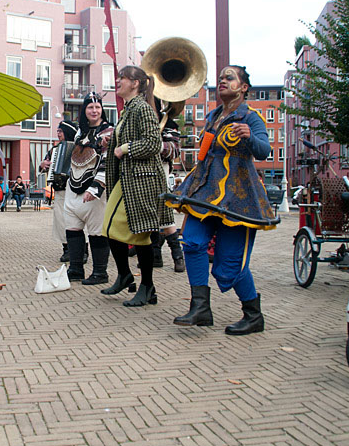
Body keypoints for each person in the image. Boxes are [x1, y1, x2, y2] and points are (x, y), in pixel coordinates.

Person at [172, 65, 275, 336]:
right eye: (220, 78)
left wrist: (250, 137)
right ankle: (200, 309)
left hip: (238, 199)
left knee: (227, 269)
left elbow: (264, 151)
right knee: (192, 243)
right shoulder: (213, 116)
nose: (222, 81)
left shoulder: (251, 117)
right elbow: (204, 155)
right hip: (205, 192)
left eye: (229, 78)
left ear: (243, 88)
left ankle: (253, 315)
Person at [101, 66, 174, 306]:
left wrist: (125, 148)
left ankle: (146, 286)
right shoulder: (128, 110)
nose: (117, 80)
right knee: (111, 227)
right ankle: (125, 275)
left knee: (140, 233)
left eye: (122, 77)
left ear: (135, 83)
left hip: (142, 180)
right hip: (129, 178)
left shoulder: (142, 108)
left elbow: (154, 144)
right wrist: (114, 141)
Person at [63, 93, 114, 285]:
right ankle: (76, 269)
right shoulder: (79, 132)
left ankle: (100, 272)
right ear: (84, 110)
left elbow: (108, 161)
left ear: (102, 110)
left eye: (97, 107)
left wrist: (97, 187)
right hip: (73, 187)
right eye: (90, 107)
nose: (94, 110)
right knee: (72, 228)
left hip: (94, 191)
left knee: (97, 231)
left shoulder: (109, 132)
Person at [150, 98, 186, 273]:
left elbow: (174, 150)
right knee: (148, 215)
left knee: (164, 214)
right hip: (141, 171)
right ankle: (155, 255)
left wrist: (153, 144)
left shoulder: (168, 123)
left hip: (160, 170)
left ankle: (177, 255)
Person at [39, 120, 78, 262]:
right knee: (61, 220)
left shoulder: (79, 147)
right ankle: (66, 249)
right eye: (57, 131)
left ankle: (82, 250)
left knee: (77, 220)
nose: (58, 134)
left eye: (60, 131)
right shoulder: (54, 150)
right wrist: (43, 165)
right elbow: (44, 165)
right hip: (60, 190)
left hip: (75, 189)